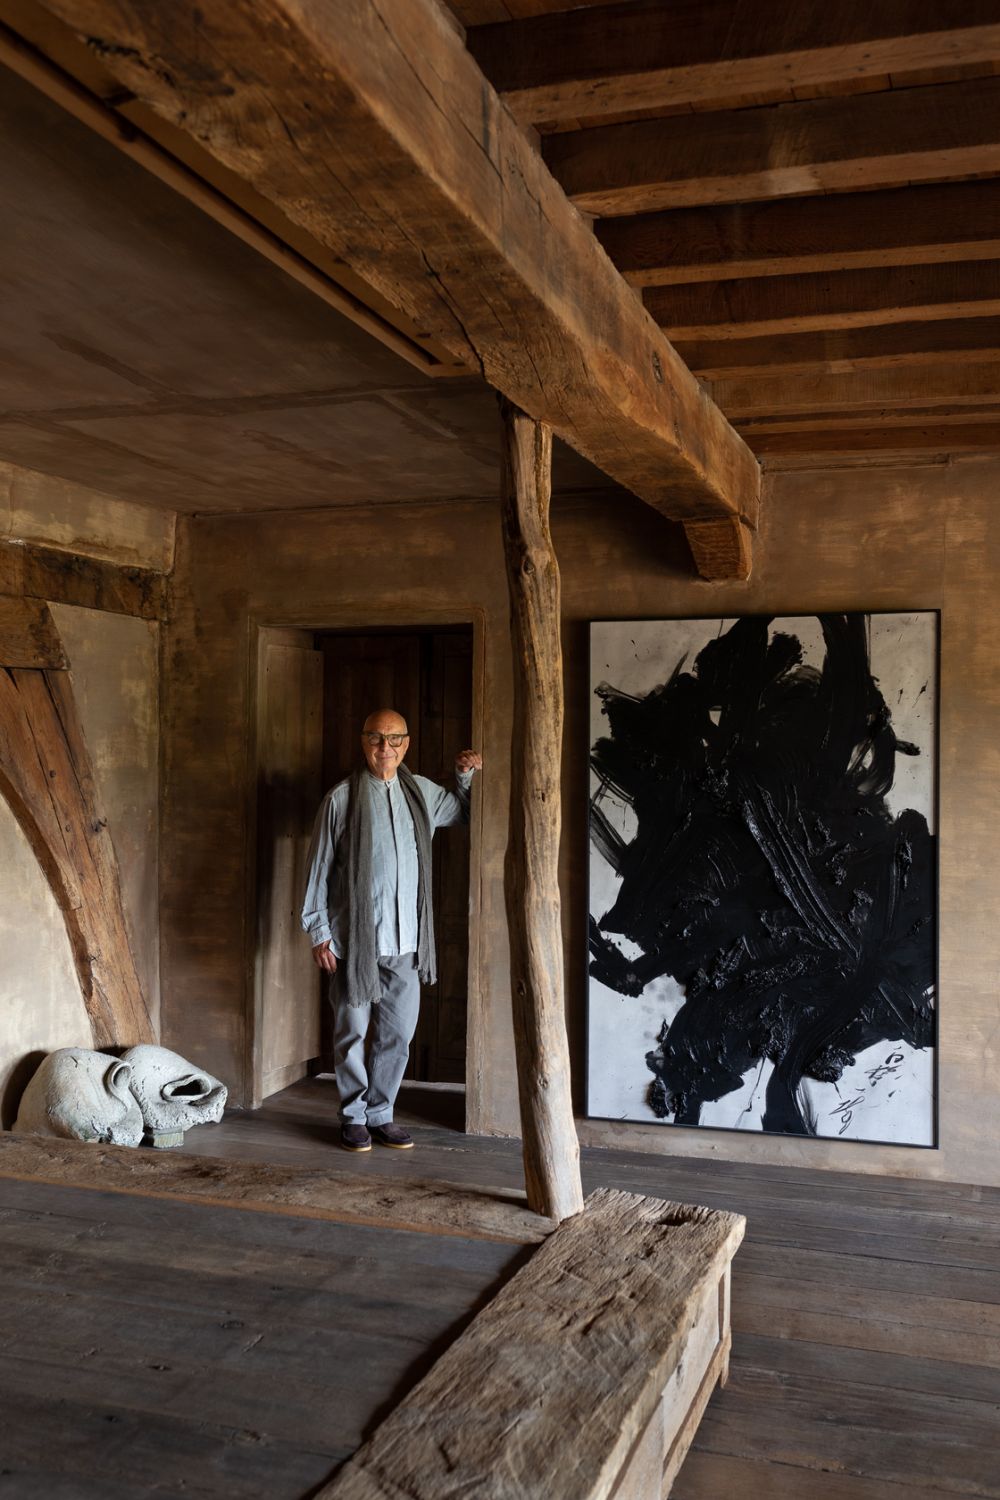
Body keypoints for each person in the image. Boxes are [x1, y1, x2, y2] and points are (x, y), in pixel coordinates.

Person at [301, 707, 482, 1152]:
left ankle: (381, 1114)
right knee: (351, 1036)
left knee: (397, 1036)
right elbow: (319, 869)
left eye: (395, 739)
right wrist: (318, 931)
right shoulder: (340, 799)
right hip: (352, 944)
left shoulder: (421, 793)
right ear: (363, 743)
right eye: (376, 739)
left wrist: (464, 776)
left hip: (406, 945)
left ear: (407, 744)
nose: (386, 748)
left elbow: (463, 813)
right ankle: (353, 1116)